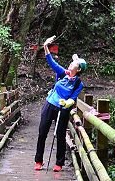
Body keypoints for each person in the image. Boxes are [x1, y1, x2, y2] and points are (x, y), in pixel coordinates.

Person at [33, 39, 87, 171]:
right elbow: (51, 62)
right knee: (42, 132)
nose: (70, 64)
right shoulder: (62, 73)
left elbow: (73, 99)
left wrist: (68, 102)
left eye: (74, 63)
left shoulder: (78, 84)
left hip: (62, 109)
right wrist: (46, 46)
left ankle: (59, 163)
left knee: (60, 135)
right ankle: (39, 161)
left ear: (78, 69)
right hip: (50, 104)